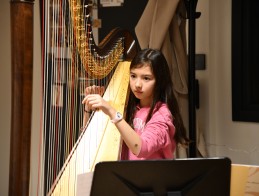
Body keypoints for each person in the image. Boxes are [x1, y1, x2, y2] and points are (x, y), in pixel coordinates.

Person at [82, 48, 189, 160]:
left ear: (159, 81)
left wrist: (112, 112)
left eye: (146, 78)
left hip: (151, 176)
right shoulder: (128, 106)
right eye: (133, 76)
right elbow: (89, 140)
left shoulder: (162, 114)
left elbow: (141, 148)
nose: (137, 84)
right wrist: (88, 108)